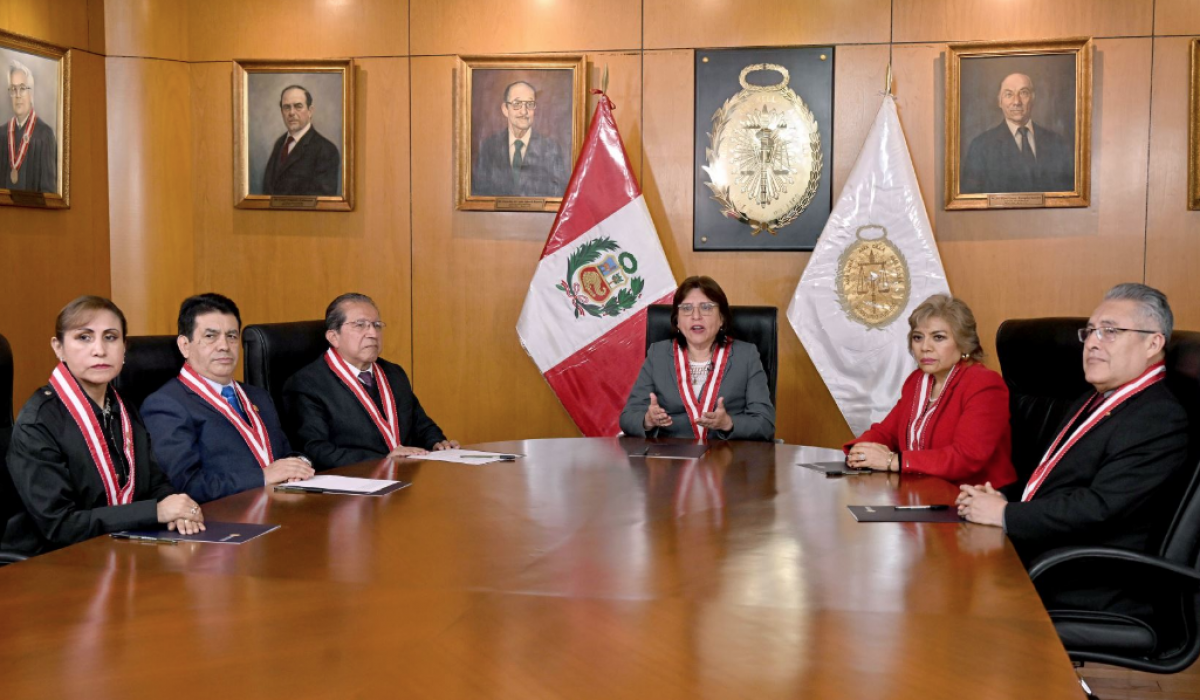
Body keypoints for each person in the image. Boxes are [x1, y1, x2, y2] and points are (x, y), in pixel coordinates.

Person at [957, 284, 1189, 611]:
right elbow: (1052, 481)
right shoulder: (1093, 400)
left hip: (1090, 580)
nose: (1092, 342)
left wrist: (1004, 514)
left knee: (951, 596)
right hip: (1049, 556)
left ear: (1153, 343)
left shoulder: (1158, 417)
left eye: (1110, 331)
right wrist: (999, 497)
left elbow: (1100, 508)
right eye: (1090, 331)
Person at [2, 296, 204, 557]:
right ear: (58, 348)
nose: (99, 350)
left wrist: (176, 507)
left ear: (124, 348)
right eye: (84, 337)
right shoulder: (38, 421)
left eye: (110, 337)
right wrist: (155, 511)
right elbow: (60, 526)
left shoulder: (124, 407)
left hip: (118, 549)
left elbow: (155, 483)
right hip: (50, 561)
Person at [142, 294, 314, 503]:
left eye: (232, 336)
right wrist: (262, 477)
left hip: (282, 506)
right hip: (224, 517)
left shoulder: (258, 396)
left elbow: (284, 455)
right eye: (210, 336)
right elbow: (186, 486)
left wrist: (300, 463)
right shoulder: (167, 405)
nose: (224, 346)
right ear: (184, 345)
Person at [844, 295, 1016, 487]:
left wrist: (893, 461)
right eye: (918, 337)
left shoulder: (984, 384)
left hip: (975, 495)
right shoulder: (917, 381)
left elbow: (966, 457)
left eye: (938, 337)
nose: (925, 347)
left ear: (964, 343)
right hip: (924, 490)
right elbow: (886, 433)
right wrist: (860, 452)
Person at [283, 293, 458, 469]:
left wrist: (437, 443)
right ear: (334, 337)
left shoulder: (393, 373)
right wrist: (383, 460)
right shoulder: (307, 384)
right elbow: (316, 450)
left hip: (404, 474)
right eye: (360, 325)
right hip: (352, 480)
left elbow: (420, 424)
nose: (373, 333)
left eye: (377, 325)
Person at [619, 276, 775, 441]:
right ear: (677, 320)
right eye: (686, 308)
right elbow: (628, 417)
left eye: (706, 307)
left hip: (726, 452)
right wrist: (647, 420)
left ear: (722, 318)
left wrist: (728, 423)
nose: (696, 316)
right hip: (671, 454)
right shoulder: (658, 354)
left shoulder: (746, 355)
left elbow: (765, 423)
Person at [960, 72, 1074, 194]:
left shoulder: (1057, 143)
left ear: (1033, 98)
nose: (1016, 102)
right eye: (1008, 94)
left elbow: (1067, 195)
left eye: (1023, 93)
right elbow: (972, 198)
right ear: (999, 101)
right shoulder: (980, 146)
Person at [472, 80, 570, 198]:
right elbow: (478, 194)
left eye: (529, 104)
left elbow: (559, 195)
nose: (524, 111)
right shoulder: (488, 148)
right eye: (517, 104)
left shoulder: (551, 149)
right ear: (505, 109)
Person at [261, 85, 340, 196]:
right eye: (286, 107)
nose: (291, 113)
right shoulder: (280, 143)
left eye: (298, 106)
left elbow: (322, 200)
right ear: (281, 112)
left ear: (310, 111)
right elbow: (267, 188)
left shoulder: (326, 150)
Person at [2, 60, 57, 193]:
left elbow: (49, 194)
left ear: (31, 94)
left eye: (22, 88)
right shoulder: (1, 134)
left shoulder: (45, 135)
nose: (17, 95)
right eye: (13, 89)